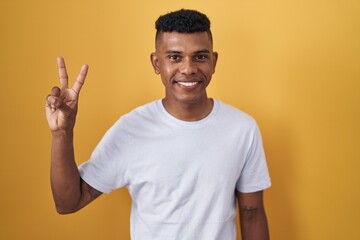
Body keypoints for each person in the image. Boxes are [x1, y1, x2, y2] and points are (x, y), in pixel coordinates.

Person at [46, 9, 271, 240]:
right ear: (156, 63)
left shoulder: (242, 129)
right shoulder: (130, 130)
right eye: (175, 57)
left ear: (213, 62)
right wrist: (62, 133)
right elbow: (68, 202)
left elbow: (251, 213)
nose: (188, 68)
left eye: (200, 57)